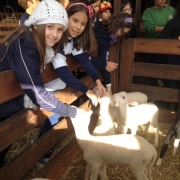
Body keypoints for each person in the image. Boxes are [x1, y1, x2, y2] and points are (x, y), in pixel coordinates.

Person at [0, 0, 91, 168]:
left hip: (11, 102)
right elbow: (37, 93)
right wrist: (71, 111)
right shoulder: (26, 45)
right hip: (5, 102)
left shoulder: (35, 42)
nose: (55, 34)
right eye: (50, 27)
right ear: (36, 25)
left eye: (59, 29)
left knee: (6, 139)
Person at [93, 13, 132, 95]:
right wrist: (109, 86)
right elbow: (104, 61)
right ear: (116, 24)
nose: (121, 35)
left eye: (124, 33)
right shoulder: (103, 36)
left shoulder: (104, 31)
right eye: (122, 31)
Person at [142, 0, 176, 87]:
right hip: (153, 47)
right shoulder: (148, 12)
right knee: (152, 74)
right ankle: (151, 97)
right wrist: (168, 29)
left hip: (169, 48)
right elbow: (149, 28)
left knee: (168, 74)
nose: (163, 0)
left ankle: (166, 99)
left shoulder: (171, 10)